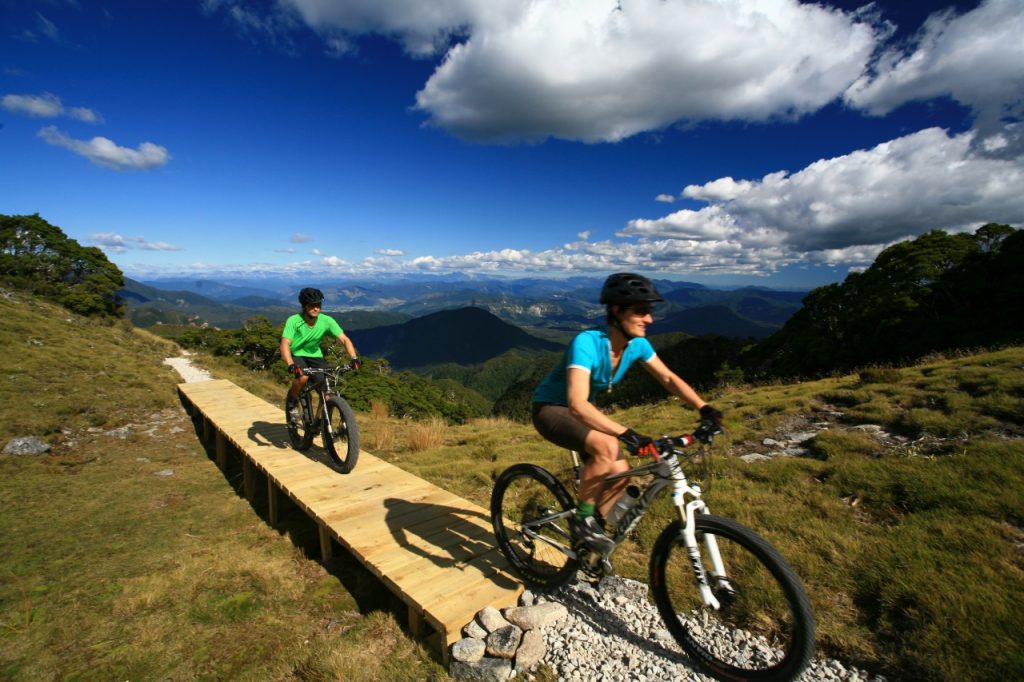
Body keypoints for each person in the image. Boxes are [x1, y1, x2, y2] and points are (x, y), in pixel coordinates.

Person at [531, 273, 723, 553]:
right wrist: (629, 434)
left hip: (582, 412)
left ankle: (591, 544)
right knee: (608, 445)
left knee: (621, 474)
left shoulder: (637, 346)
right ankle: (582, 522)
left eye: (650, 311)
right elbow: (577, 404)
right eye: (641, 311)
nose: (650, 319)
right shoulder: (587, 342)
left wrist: (704, 408)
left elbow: (668, 379)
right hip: (551, 409)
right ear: (617, 311)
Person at [280, 287, 361, 426]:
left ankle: (323, 423)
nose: (316, 308)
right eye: (312, 305)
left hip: (315, 355)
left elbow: (344, 339)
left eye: (318, 305)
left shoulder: (326, 321)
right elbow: (285, 343)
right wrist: (290, 364)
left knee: (327, 390)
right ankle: (292, 402)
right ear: (304, 306)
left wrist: (354, 358)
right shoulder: (294, 320)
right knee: (303, 376)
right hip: (296, 354)